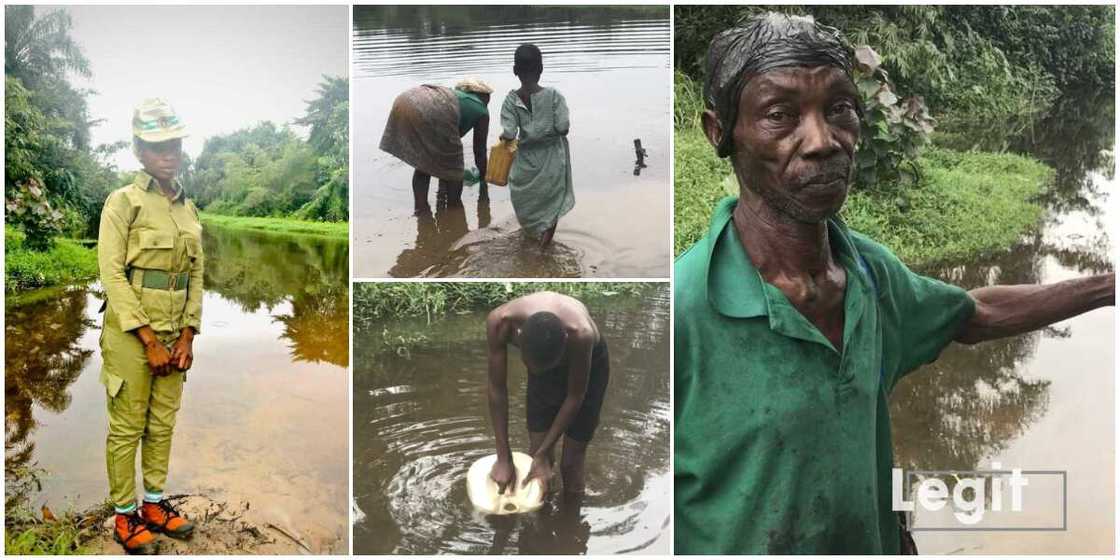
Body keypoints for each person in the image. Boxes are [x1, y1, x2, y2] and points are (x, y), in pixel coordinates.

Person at [673, 13, 1115, 554]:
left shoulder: (869, 276)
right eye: (779, 115)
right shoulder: (683, 308)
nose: (822, 141)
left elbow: (972, 315)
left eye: (839, 109)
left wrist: (1108, 286)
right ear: (720, 133)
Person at [98, 99, 203, 553]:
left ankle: (155, 505)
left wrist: (187, 335)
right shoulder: (123, 202)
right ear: (140, 150)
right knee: (127, 427)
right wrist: (146, 338)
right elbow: (112, 274)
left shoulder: (189, 209)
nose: (169, 153)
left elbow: (196, 275)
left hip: (174, 334)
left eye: (175, 144)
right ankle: (125, 516)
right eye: (159, 146)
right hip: (129, 335)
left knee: (162, 425)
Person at [485, 292, 609, 501]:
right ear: (519, 337)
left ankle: (571, 521)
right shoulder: (500, 323)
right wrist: (503, 457)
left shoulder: (581, 334)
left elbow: (575, 395)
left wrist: (546, 452)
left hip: (589, 365)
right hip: (542, 359)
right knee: (535, 454)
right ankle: (539, 516)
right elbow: (497, 389)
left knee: (572, 461)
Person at [500, 44, 574, 247]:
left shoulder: (510, 100)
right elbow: (563, 127)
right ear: (541, 69)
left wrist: (504, 138)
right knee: (552, 204)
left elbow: (508, 134)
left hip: (525, 163)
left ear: (515, 70)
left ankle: (532, 240)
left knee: (527, 203)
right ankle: (543, 247)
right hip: (551, 160)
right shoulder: (554, 96)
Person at [380, 78, 492, 213]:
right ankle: (453, 210)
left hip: (406, 100)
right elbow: (479, 150)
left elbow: (441, 155)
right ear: (482, 96)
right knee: (455, 170)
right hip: (433, 109)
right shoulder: (481, 109)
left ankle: (421, 209)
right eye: (488, 97)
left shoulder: (456, 96)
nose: (488, 101)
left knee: (423, 163)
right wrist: (483, 178)